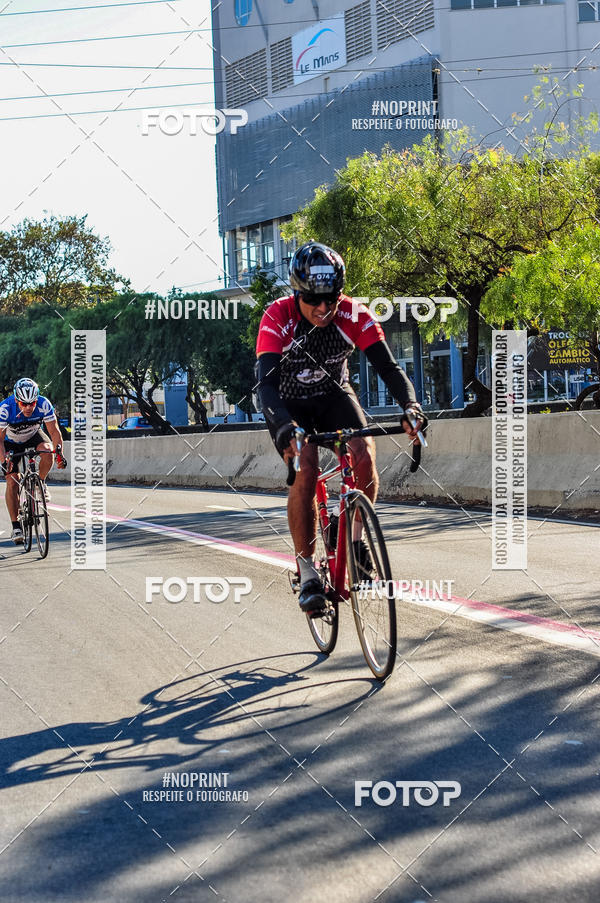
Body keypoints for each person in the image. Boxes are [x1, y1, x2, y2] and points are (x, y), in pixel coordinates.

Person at [255, 241, 425, 614]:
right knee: (306, 470)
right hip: (289, 404)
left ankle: (355, 540)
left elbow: (389, 368)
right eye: (313, 300)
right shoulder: (276, 317)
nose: (323, 308)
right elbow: (264, 387)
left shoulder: (353, 314)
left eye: (330, 298)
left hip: (333, 395)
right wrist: (284, 428)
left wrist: (410, 406)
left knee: (363, 454)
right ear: (297, 293)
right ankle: (307, 572)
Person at [0, 378, 67, 544]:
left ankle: (40, 483)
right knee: (12, 481)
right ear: (16, 400)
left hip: (33, 436)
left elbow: (54, 432)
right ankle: (16, 526)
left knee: (47, 450)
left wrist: (59, 454)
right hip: (10, 442)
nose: (29, 408)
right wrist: (4, 461)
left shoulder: (44, 404)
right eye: (24, 404)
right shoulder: (5, 409)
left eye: (32, 403)